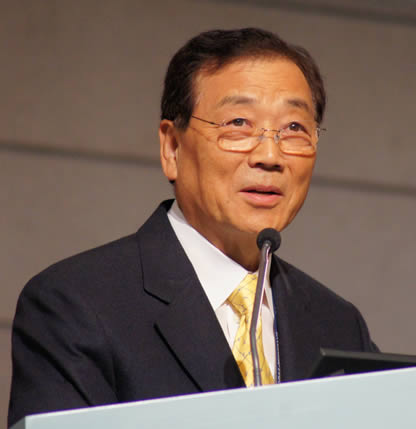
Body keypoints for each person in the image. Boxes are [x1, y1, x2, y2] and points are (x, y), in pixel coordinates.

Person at [8, 28, 377, 427]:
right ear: (172, 148)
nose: (270, 155)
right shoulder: (77, 303)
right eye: (239, 123)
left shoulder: (338, 324)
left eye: (294, 129)